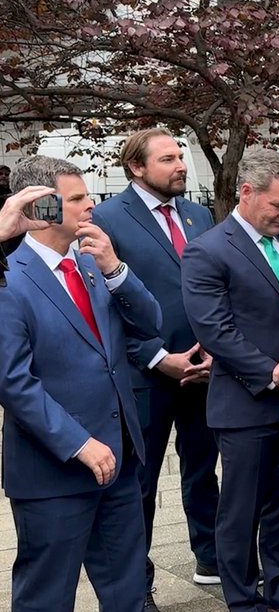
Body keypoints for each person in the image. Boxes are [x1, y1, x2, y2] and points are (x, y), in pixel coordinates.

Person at [0, 156, 162, 612]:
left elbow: (151, 325)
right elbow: (13, 383)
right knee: (47, 596)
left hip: (120, 461)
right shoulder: (9, 278)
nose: (91, 205)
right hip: (55, 470)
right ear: (41, 207)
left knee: (128, 592)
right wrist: (78, 443)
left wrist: (115, 269)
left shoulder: (92, 263)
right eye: (76, 199)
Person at [182, 150, 279, 612]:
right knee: (241, 509)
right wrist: (273, 374)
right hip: (245, 404)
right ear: (247, 192)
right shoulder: (208, 249)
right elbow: (215, 330)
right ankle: (244, 601)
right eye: (278, 206)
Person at [91, 128, 221, 608]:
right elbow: (103, 304)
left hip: (204, 367)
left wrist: (212, 344)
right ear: (136, 167)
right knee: (139, 486)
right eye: (168, 159)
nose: (181, 165)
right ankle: (137, 582)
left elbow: (210, 284)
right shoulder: (105, 219)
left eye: (181, 157)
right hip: (145, 375)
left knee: (203, 468)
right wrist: (156, 357)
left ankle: (210, 557)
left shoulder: (198, 214)